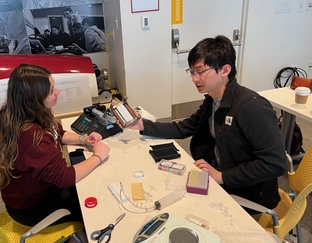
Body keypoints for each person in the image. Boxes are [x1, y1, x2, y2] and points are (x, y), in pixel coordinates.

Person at [123, 35, 287, 215]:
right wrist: (142, 125)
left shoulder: (251, 107)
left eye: (200, 72)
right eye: (192, 72)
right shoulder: (214, 99)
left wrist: (222, 176)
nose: (194, 79)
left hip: (246, 193)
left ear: (225, 70)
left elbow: (275, 163)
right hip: (218, 175)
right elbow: (184, 127)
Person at [0, 64, 110, 242]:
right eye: (52, 90)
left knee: (88, 185)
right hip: (32, 208)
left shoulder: (20, 112)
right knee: (95, 205)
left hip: (28, 194)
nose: (58, 92)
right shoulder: (32, 136)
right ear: (35, 98)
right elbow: (65, 178)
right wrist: (98, 156)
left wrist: (82, 140)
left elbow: (57, 133)